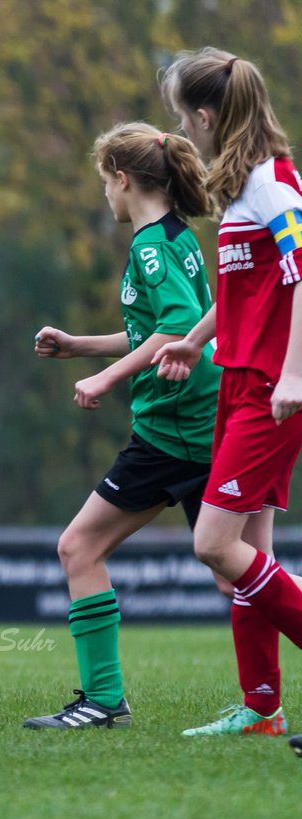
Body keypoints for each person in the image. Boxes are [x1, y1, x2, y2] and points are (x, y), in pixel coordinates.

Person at [24, 122, 221, 730]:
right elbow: (153, 330)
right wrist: (82, 346)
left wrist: (106, 380)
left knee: (77, 547)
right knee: (233, 569)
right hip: (204, 418)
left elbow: (178, 326)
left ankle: (103, 701)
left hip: (175, 429)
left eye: (103, 183)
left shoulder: (149, 247)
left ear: (123, 178)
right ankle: (260, 695)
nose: (104, 195)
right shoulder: (174, 236)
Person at [154, 48, 302, 738]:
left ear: (208, 115)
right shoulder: (244, 187)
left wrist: (296, 374)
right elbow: (246, 288)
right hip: (241, 382)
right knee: (248, 551)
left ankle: (265, 702)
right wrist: (196, 339)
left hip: (273, 389)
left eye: (185, 116)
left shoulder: (274, 184)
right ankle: (263, 708)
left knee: (214, 544)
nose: (186, 127)